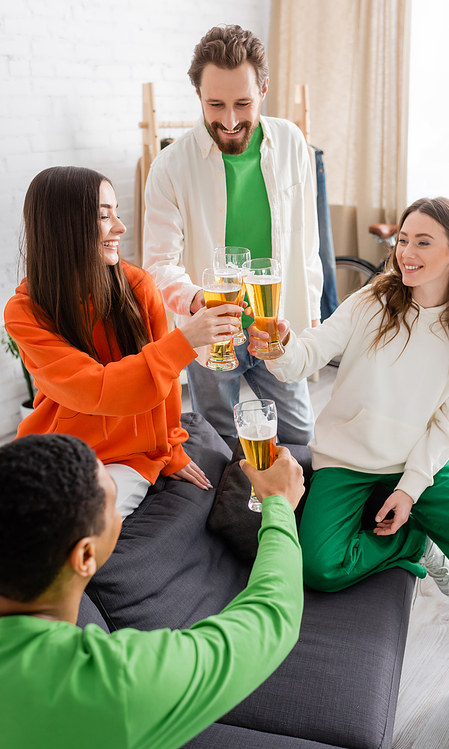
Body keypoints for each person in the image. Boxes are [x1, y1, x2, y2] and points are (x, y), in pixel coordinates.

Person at [248, 196, 449, 732]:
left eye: (422, 242)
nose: (406, 253)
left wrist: (410, 489)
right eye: (403, 240)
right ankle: (413, 544)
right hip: (348, 458)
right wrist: (278, 347)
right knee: (319, 565)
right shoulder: (372, 302)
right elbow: (306, 356)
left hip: (421, 463)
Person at [0, 433, 305, 749]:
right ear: (86, 556)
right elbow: (272, 617)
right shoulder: (114, 684)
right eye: (112, 503)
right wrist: (279, 502)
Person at [4, 166, 242, 519]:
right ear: (63, 226)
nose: (120, 226)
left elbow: (167, 388)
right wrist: (183, 342)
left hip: (127, 456)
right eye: (104, 215)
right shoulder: (24, 311)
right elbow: (94, 390)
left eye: (116, 212)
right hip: (56, 447)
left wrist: (172, 450)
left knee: (74, 526)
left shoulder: (137, 287)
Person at [143, 24, 323, 445]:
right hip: (210, 335)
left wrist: (310, 316)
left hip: (277, 327)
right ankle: (234, 513)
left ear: (263, 89)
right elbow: (158, 264)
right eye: (215, 104)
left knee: (301, 439)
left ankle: (289, 511)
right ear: (199, 97)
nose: (229, 120)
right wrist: (196, 299)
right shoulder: (169, 167)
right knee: (220, 445)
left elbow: (307, 241)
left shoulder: (293, 143)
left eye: (242, 103)